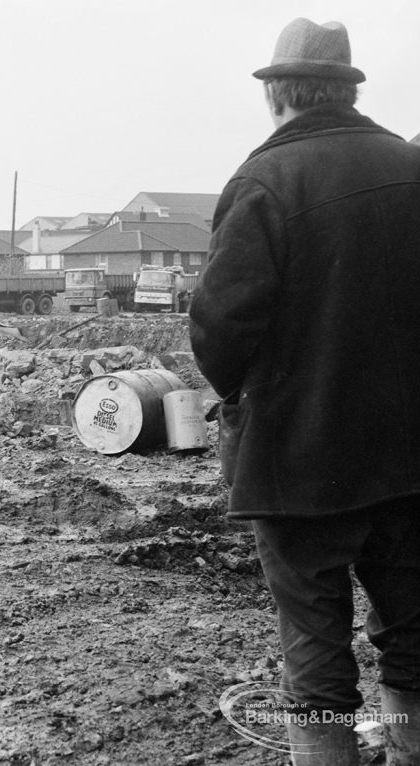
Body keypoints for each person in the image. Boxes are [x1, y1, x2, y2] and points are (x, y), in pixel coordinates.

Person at [189, 18, 420, 766]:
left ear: (276, 94)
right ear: (346, 88)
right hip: (411, 458)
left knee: (316, 652)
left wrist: (248, 400)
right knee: (415, 634)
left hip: (300, 462)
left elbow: (220, 330)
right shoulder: (411, 168)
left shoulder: (264, 183)